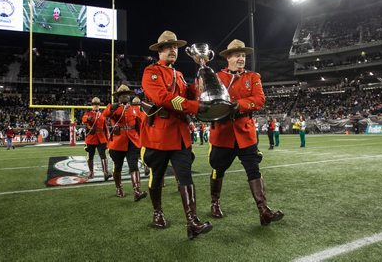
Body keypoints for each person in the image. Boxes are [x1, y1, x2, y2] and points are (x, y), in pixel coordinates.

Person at [140, 30, 212, 239]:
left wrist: (200, 82)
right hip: (159, 135)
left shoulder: (178, 75)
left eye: (176, 47)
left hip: (179, 134)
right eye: (168, 47)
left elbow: (189, 93)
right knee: (157, 177)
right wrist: (193, 106)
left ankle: (192, 221)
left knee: (186, 176)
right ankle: (157, 212)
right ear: (160, 50)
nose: (173, 50)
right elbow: (163, 98)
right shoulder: (151, 72)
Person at [208, 39, 284, 226]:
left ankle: (263, 210)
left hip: (245, 132)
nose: (241, 58)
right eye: (237, 55)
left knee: (253, 169)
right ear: (228, 58)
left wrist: (238, 105)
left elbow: (259, 100)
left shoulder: (253, 76)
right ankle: (215, 202)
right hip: (223, 132)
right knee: (218, 168)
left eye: (243, 55)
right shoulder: (217, 77)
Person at [103, 85, 147, 201]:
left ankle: (137, 190)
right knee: (118, 167)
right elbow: (105, 115)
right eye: (123, 95)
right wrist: (112, 107)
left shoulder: (135, 108)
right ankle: (118, 188)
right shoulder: (113, 108)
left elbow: (142, 122)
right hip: (118, 142)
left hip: (132, 140)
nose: (125, 96)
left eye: (127, 94)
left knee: (134, 164)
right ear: (118, 97)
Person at [81, 97, 112, 181]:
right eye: (94, 104)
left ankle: (106, 172)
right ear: (92, 105)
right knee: (90, 156)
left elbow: (105, 127)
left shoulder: (102, 115)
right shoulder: (88, 113)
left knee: (103, 155)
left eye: (97, 104)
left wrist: (107, 139)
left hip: (101, 138)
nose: (96, 106)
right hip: (91, 138)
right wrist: (87, 119)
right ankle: (91, 173)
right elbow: (83, 120)